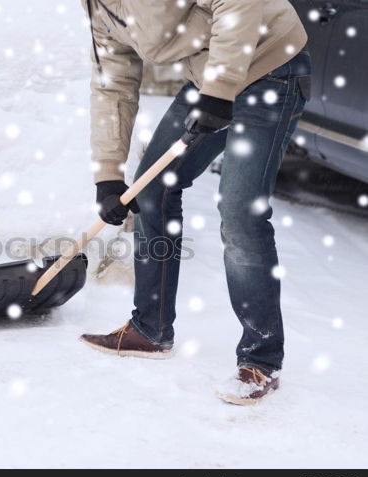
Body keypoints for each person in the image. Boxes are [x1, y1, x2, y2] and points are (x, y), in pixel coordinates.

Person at [78, 0, 311, 405]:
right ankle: (150, 329)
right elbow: (113, 84)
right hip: (211, 78)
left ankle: (261, 359)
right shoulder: (100, 10)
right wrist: (108, 175)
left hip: (272, 68)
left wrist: (219, 90)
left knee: (240, 213)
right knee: (152, 189)